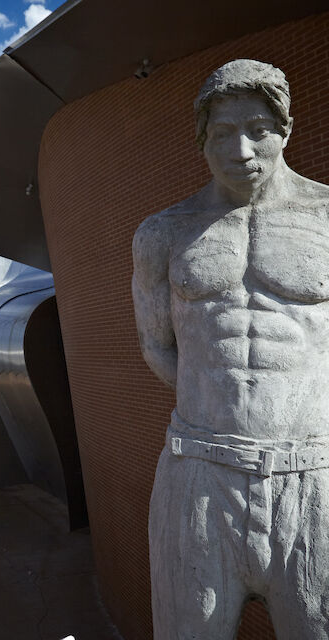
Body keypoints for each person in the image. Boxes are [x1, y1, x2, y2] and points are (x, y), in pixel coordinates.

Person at [132, 59, 329, 638]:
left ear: (285, 129)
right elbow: (158, 348)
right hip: (199, 477)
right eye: (221, 133)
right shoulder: (164, 233)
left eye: (258, 129)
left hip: (314, 479)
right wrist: (222, 401)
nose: (239, 149)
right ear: (202, 139)